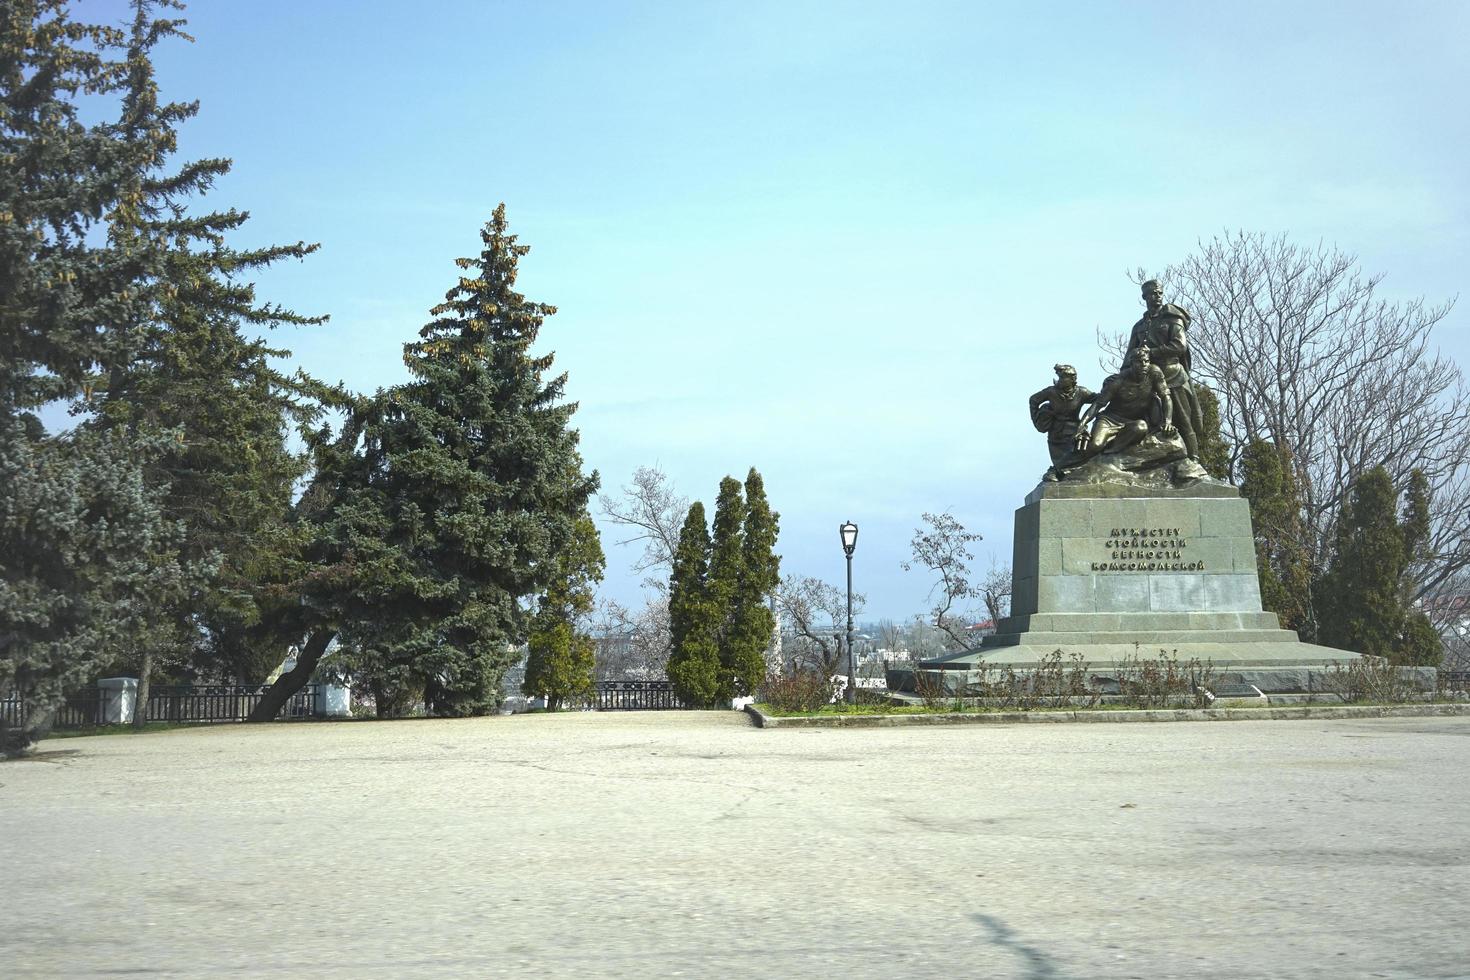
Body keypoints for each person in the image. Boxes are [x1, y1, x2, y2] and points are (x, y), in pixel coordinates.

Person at [1047, 347, 1172, 479]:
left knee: (1141, 427)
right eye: (1139, 362)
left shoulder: (1155, 373)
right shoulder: (1119, 380)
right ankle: (1057, 468)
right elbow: (1097, 405)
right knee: (1095, 445)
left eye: (1146, 361)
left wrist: (1168, 421)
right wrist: (1082, 425)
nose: (1144, 365)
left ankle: (1107, 456)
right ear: (1132, 363)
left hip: (1132, 422)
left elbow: (1166, 397)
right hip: (1109, 419)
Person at [1125, 279, 1203, 459]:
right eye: (1153, 293)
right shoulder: (1139, 326)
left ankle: (1194, 459)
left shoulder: (1172, 318)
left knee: (1183, 419)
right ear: (1145, 297)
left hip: (1172, 374)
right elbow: (1130, 354)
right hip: (1146, 377)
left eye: (1159, 293)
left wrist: (1151, 352)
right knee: (1148, 421)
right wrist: (1122, 376)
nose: (1157, 296)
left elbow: (1179, 346)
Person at [1028, 364, 1096, 465]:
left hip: (1074, 431)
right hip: (1056, 433)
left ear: (1072, 379)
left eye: (1063, 378)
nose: (1060, 380)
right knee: (1059, 463)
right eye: (1059, 377)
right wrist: (1037, 421)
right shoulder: (1051, 392)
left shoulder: (1081, 392)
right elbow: (1033, 400)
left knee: (1078, 460)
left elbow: (1099, 399)